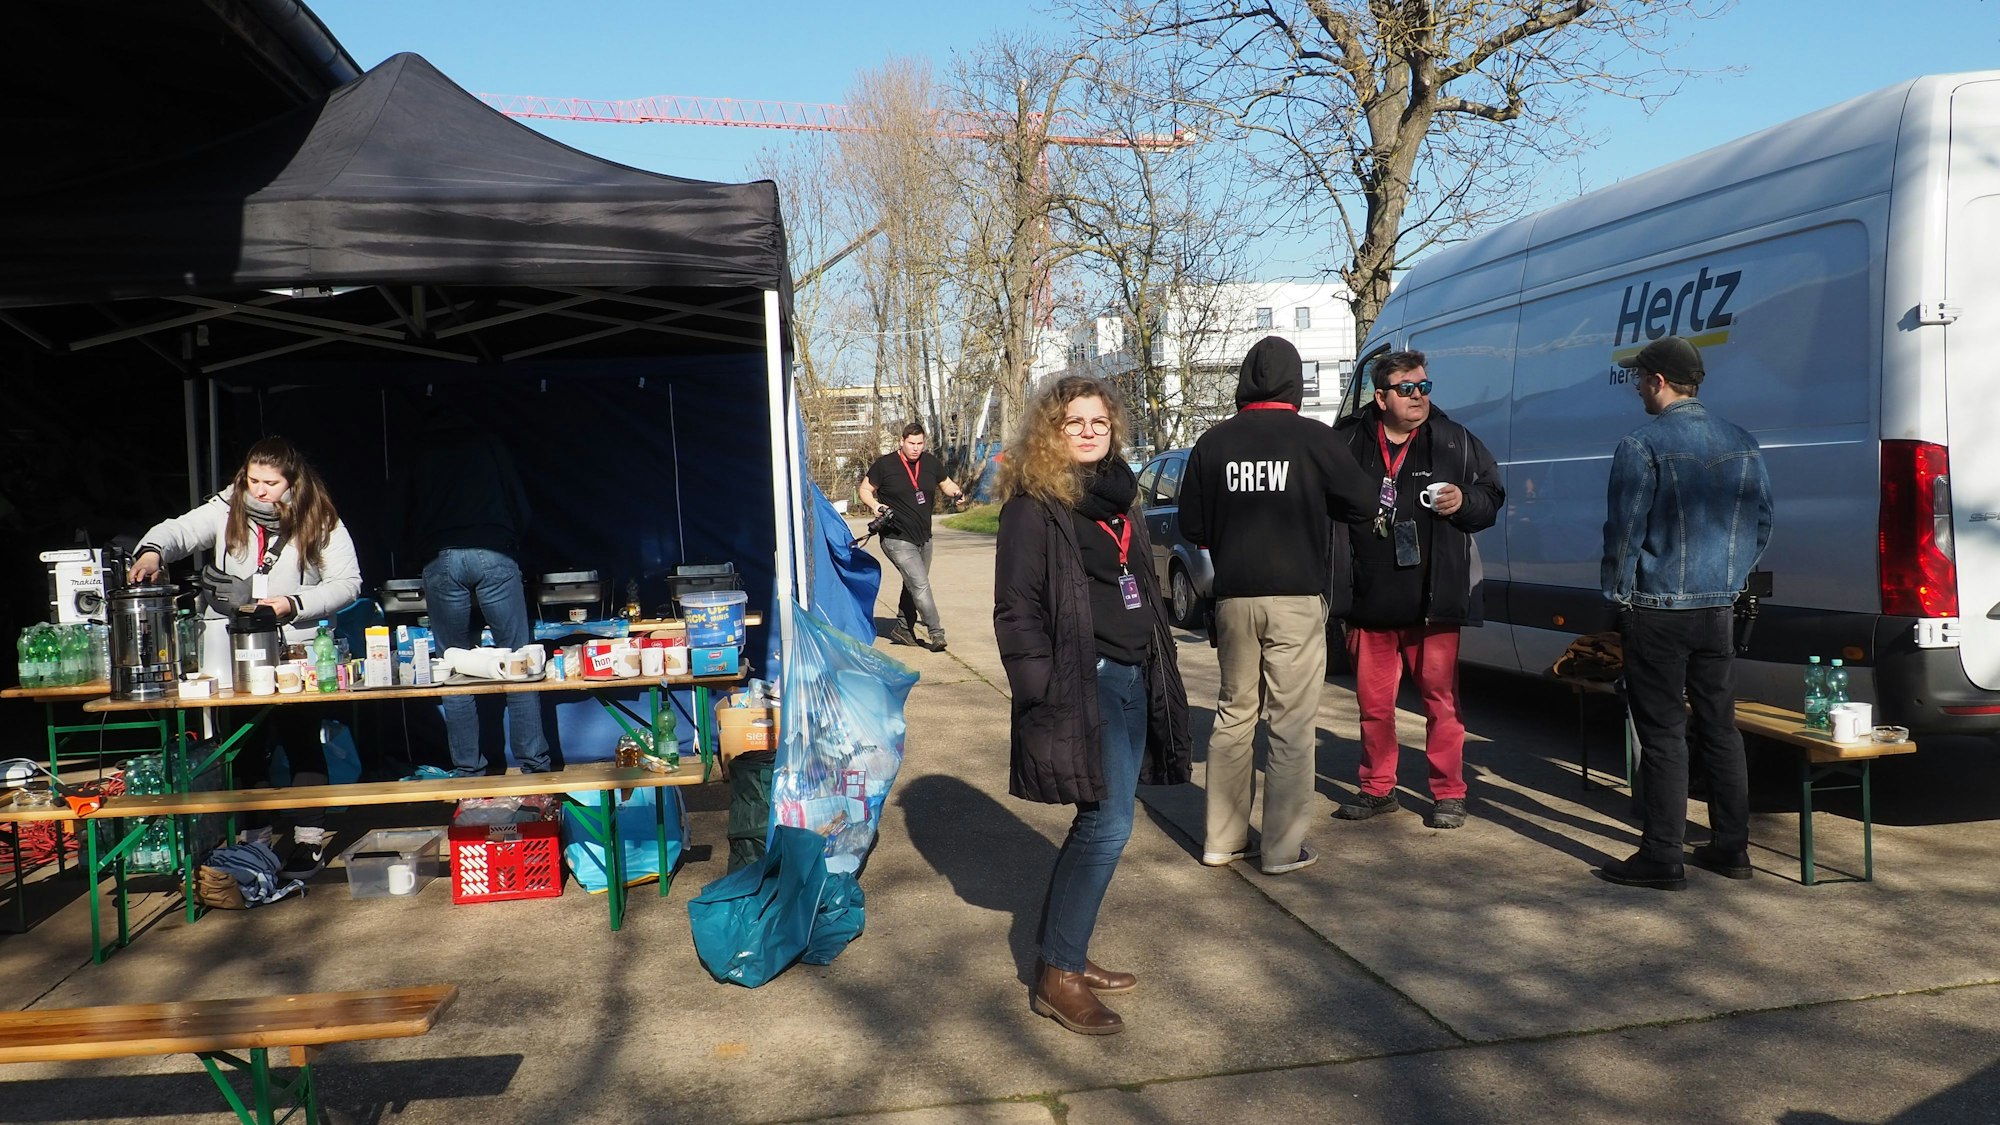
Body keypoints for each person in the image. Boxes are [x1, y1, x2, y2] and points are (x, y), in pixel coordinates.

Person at [993, 375, 1191, 1036]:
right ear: (1051, 431)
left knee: (1105, 821)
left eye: (1098, 422)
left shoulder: (1118, 495)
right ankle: (1058, 975)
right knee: (1106, 826)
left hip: (1133, 673)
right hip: (1085, 682)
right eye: (1073, 421)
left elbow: (1133, 584)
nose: (1086, 430)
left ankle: (1066, 953)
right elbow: (1015, 611)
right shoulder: (1034, 507)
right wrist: (1042, 689)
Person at [1179, 337, 1377, 875]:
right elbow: (1362, 503)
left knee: (1233, 716)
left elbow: (1191, 527)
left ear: (1244, 380)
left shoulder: (1212, 443)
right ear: (1296, 382)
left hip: (1234, 597)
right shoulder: (1317, 439)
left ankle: (1221, 841)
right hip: (1295, 597)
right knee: (1291, 724)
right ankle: (1283, 850)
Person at [128, 436, 362, 877]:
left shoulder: (319, 518)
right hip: (229, 647)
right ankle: (254, 843)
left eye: (271, 483)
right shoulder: (226, 507)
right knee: (244, 746)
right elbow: (180, 530)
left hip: (294, 645)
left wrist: (291, 602)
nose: (259, 491)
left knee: (300, 741)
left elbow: (349, 582)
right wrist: (152, 550)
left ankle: (308, 841)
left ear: (292, 481)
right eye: (253, 480)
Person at [1597, 336, 1773, 890]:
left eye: (1640, 380)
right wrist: (1728, 580)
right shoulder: (1742, 443)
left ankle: (1663, 854)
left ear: (1656, 381)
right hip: (1715, 608)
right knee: (1721, 728)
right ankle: (1730, 847)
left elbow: (1624, 532)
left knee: (1665, 732)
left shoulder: (1641, 444)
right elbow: (1762, 523)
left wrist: (1617, 595)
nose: (1638, 390)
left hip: (1657, 609)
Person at [1328, 350, 1504, 830]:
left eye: (1424, 386)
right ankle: (1377, 788)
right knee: (1374, 708)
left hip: (1434, 602)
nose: (1419, 396)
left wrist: (1465, 500)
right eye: (1407, 388)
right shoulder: (1344, 442)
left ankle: (1449, 793)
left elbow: (1492, 497)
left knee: (1441, 704)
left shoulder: (1453, 440)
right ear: (1380, 396)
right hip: (1367, 601)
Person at [403, 409, 552, 776]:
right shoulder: (489, 443)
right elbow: (519, 502)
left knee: (452, 666)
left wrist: (419, 553)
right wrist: (508, 541)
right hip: (493, 550)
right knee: (521, 664)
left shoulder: (418, 448)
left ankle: (468, 771)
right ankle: (534, 765)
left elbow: (400, 510)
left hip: (442, 557)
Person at [860, 423, 964, 652]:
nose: (916, 448)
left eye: (920, 443)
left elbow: (946, 483)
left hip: (924, 538)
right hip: (896, 537)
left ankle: (903, 629)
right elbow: (865, 490)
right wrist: (876, 506)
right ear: (901, 441)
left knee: (913, 584)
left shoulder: (930, 463)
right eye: (911, 443)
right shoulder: (885, 465)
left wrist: (956, 493)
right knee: (920, 584)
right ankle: (936, 633)